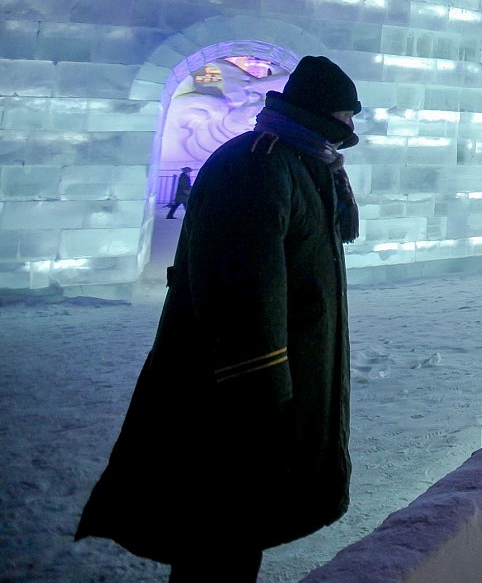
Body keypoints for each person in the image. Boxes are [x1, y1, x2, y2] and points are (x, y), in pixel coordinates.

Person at [77, 55, 364, 582]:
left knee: (239, 527)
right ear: (320, 113)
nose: (350, 129)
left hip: (270, 392)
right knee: (217, 527)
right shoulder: (258, 165)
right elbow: (240, 294)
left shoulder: (303, 164)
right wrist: (266, 398)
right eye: (346, 117)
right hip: (232, 402)